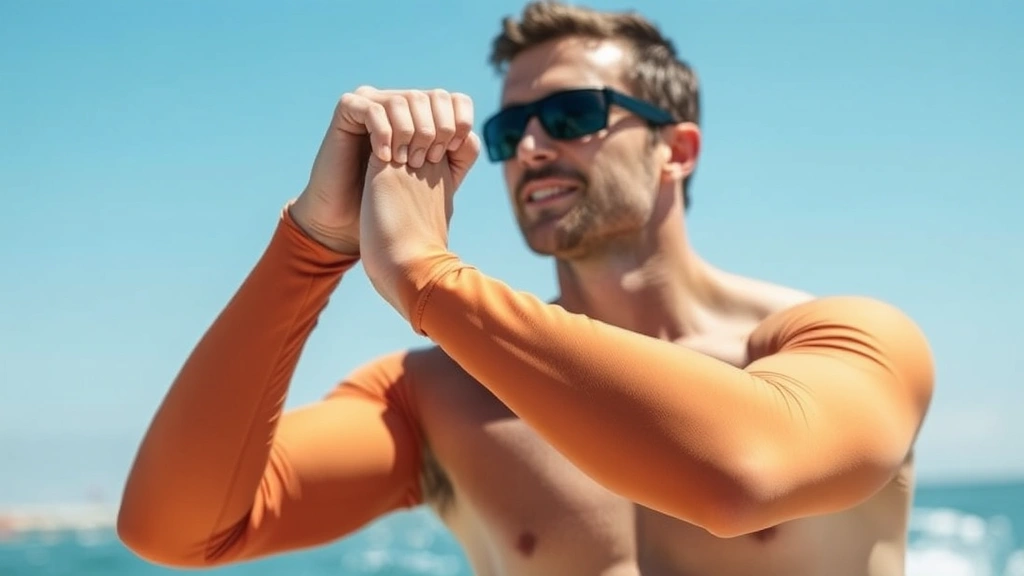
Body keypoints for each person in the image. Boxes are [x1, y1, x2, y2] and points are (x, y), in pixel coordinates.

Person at [116, 2, 935, 575]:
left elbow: (739, 476)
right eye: (511, 131)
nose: (534, 148)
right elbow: (180, 531)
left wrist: (427, 277)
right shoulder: (438, 397)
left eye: (574, 115)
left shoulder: (846, 341)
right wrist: (311, 248)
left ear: (676, 150)